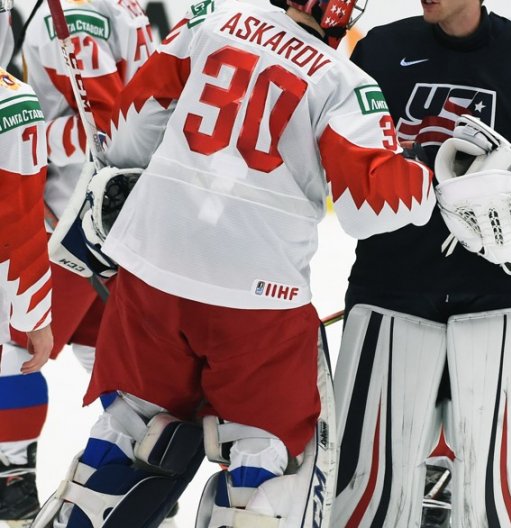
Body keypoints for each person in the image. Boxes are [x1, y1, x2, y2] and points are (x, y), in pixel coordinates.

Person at [29, 0, 438, 526]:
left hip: (151, 270)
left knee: (131, 425)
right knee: (266, 457)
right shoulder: (344, 81)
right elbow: (368, 209)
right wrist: (433, 178)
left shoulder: (211, 21)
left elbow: (133, 132)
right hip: (257, 297)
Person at [331, 0, 511, 527]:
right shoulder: (378, 51)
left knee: (504, 502)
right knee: (365, 495)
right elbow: (339, 145)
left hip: (501, 300)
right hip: (391, 287)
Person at [0, 0, 155, 524]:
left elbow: (107, 124)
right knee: (106, 358)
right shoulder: (119, 6)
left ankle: (11, 482)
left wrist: (25, 143)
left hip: (72, 224)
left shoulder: (75, 13)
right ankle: (140, 472)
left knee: (15, 348)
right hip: (109, 218)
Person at [0, 1, 54, 523]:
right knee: (20, 359)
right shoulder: (13, 102)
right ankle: (12, 478)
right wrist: (35, 318)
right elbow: (21, 225)